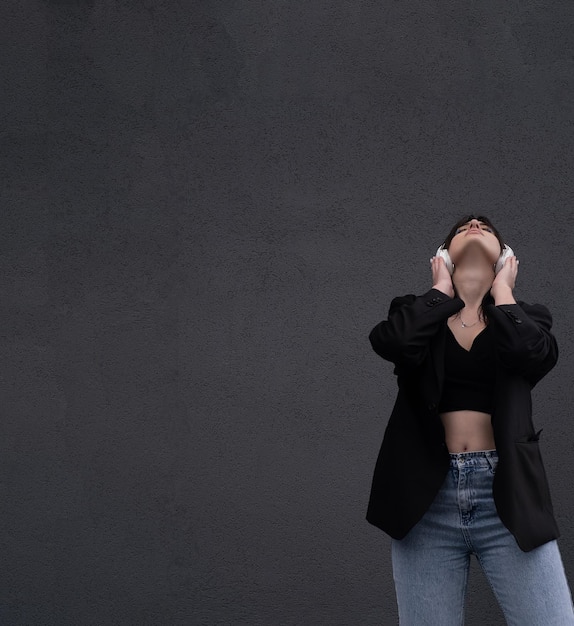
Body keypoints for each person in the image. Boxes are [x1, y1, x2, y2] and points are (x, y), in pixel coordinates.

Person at [367, 215, 574, 625]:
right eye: (463, 227)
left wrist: (504, 294)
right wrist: (440, 290)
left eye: (486, 227)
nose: (475, 224)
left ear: (506, 257)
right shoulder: (415, 313)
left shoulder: (526, 317)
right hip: (425, 501)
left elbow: (535, 355)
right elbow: (392, 342)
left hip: (508, 492)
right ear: (443, 255)